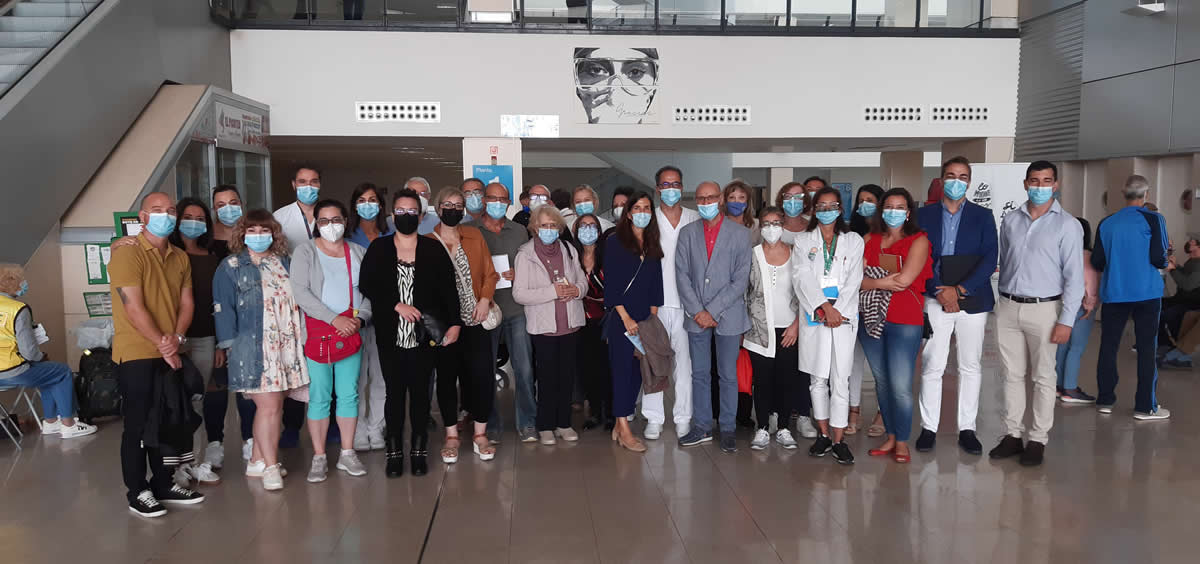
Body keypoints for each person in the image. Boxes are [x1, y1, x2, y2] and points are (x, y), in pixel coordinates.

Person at [108, 192, 205, 516]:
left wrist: (176, 339)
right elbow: (133, 306)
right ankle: (137, 491)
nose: (166, 215)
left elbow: (187, 303)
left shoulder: (179, 257)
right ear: (143, 216)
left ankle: (163, 483)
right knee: (138, 425)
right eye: (157, 210)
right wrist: (163, 344)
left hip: (171, 350)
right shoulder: (128, 252)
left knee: (167, 422)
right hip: (137, 352)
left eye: (171, 210)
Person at [360, 188, 462, 477]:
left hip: (424, 334)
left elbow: (449, 289)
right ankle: (393, 451)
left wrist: (455, 323)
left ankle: (419, 450)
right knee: (394, 393)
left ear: (420, 216)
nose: (406, 216)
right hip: (390, 333)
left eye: (412, 211)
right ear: (393, 216)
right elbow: (367, 283)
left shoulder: (433, 248)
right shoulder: (379, 248)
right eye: (401, 211)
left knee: (420, 394)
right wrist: (396, 304)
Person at [989, 161, 1085, 466]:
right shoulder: (1011, 221)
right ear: (1025, 183)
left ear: (1055, 185)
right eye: (1034, 180)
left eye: (1046, 181)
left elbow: (1075, 277)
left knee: (1043, 377)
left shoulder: (1067, 225)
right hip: (1008, 306)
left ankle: (1038, 439)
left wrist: (1066, 320)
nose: (1040, 186)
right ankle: (1012, 435)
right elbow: (1005, 260)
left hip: (1045, 309)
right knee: (1011, 375)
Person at [214, 209, 308, 491]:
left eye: (264, 230)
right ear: (242, 234)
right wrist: (229, 348)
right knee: (270, 407)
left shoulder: (285, 262)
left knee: (273, 406)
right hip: (253, 348)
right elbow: (223, 310)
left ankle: (256, 460)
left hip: (286, 346)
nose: (258, 236)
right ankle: (270, 466)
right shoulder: (231, 266)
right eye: (252, 230)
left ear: (274, 233)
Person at [913, 156, 997, 456]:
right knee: (932, 365)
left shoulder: (983, 216)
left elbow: (990, 258)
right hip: (935, 297)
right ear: (941, 179)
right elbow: (918, 257)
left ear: (969, 182)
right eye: (951, 175)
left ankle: (967, 429)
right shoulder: (923, 216)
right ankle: (929, 428)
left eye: (962, 176)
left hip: (972, 298)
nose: (956, 181)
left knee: (970, 365)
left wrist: (959, 290)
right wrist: (940, 291)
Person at [290, 200, 372, 482]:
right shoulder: (305, 252)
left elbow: (369, 292)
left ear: (346, 221)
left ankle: (347, 453)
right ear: (316, 224)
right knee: (320, 396)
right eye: (323, 221)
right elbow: (300, 292)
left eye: (336, 219)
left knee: (349, 394)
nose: (330, 226)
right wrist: (333, 319)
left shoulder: (358, 252)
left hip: (351, 331)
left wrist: (360, 319)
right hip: (318, 332)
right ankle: (319, 456)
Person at [675, 181, 752, 453]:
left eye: (710, 197)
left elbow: (740, 279)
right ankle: (702, 426)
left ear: (720, 199)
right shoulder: (687, 233)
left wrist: (713, 310)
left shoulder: (740, 234)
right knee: (699, 374)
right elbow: (682, 275)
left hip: (728, 315)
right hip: (696, 316)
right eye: (700, 198)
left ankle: (728, 428)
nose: (706, 202)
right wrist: (699, 312)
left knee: (728, 375)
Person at [858, 188, 932, 464]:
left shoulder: (918, 241)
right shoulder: (869, 239)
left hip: (905, 321)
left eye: (900, 207)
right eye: (889, 206)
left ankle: (902, 441)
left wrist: (870, 281)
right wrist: (881, 281)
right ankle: (890, 435)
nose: (894, 212)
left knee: (900, 385)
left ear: (908, 212)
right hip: (871, 318)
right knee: (882, 382)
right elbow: (853, 280)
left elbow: (904, 281)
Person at [429, 187, 501, 462]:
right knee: (447, 378)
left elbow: (490, 274)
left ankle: (480, 434)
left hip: (476, 320)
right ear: (438, 208)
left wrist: (484, 300)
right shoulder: (427, 242)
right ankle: (451, 436)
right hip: (445, 325)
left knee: (482, 377)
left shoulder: (474, 235)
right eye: (447, 204)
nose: (453, 209)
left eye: (458, 205)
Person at [1091, 174, 1171, 421]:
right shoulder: (1154, 219)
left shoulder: (1107, 222)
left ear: (1123, 195)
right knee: (1147, 348)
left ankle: (1105, 400)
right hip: (1147, 293)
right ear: (1146, 195)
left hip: (1114, 291)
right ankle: (1145, 406)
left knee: (1108, 346)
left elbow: (1097, 261)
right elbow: (1159, 257)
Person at [794, 188, 864, 464]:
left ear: (840, 208)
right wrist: (824, 307)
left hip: (842, 317)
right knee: (817, 379)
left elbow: (854, 279)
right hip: (817, 315)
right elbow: (802, 277)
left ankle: (839, 439)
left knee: (840, 378)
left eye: (832, 205)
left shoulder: (853, 240)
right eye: (821, 206)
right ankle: (823, 435)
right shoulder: (803, 240)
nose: (826, 210)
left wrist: (837, 311)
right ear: (813, 209)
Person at [513, 206, 588, 445]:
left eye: (553, 225)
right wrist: (552, 292)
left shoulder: (568, 250)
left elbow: (582, 281)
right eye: (543, 225)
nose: (548, 229)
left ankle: (564, 423)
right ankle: (545, 425)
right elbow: (519, 294)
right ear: (535, 228)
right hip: (544, 327)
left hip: (570, 323)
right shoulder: (525, 254)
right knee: (547, 378)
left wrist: (576, 290)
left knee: (566, 377)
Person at [0, 265, 97, 439]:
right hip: (12, 372)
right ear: (11, 283)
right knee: (61, 371)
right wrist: (40, 357)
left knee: (48, 374)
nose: (24, 284)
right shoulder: (18, 309)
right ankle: (68, 424)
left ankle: (51, 423)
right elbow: (29, 352)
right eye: (21, 281)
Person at [166, 198, 223, 486]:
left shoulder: (212, 257)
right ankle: (174, 465)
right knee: (172, 403)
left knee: (197, 401)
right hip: (170, 339)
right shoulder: (167, 254)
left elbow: (220, 303)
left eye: (200, 219)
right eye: (188, 217)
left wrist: (220, 343)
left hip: (204, 337)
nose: (194, 223)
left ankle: (196, 462)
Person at [603, 191, 664, 453]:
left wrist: (652, 317)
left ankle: (620, 424)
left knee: (639, 373)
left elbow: (656, 283)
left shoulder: (651, 242)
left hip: (645, 319)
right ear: (628, 213)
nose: (642, 213)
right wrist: (626, 317)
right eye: (637, 208)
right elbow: (612, 284)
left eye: (647, 208)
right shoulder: (615, 242)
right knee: (622, 373)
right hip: (622, 319)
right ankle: (624, 427)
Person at [478, 182, 537, 443]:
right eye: (493, 198)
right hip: (486, 310)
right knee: (485, 370)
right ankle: (490, 425)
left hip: (516, 308)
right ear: (484, 200)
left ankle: (527, 422)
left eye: (503, 199)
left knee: (524, 369)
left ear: (509, 202)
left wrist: (518, 273)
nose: (498, 204)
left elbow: (530, 264)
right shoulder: (471, 231)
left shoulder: (519, 231)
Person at [645, 165, 699, 440]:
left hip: (688, 304)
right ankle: (653, 418)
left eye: (675, 184)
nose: (671, 189)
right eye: (665, 185)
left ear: (682, 187)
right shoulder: (648, 220)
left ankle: (683, 418)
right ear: (657, 189)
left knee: (684, 366)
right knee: (654, 362)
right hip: (655, 304)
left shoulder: (695, 218)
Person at [206, 186, 257, 463]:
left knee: (246, 385)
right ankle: (215, 443)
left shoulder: (253, 236)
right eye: (221, 204)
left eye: (233, 202)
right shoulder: (204, 239)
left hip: (248, 325)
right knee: (216, 385)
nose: (228, 208)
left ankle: (250, 440)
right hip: (210, 321)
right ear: (214, 209)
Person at [271, 163, 321, 447]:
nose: (308, 187)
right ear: (293, 185)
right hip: (291, 299)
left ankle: (330, 424)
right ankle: (292, 426)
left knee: (325, 360)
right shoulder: (280, 217)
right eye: (303, 182)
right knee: (294, 362)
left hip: (324, 297)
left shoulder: (328, 213)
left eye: (313, 181)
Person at [742, 207, 800, 451]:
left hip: (789, 329)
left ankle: (784, 427)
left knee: (786, 379)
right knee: (763, 380)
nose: (771, 228)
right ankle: (763, 427)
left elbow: (806, 293)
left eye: (776, 223)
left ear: (783, 225)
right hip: (759, 329)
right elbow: (744, 293)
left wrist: (796, 326)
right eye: (766, 223)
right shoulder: (751, 255)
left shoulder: (796, 254)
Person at [345, 183, 390, 451]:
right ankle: (359, 429)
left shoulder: (391, 233)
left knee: (382, 376)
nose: (368, 205)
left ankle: (376, 427)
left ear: (381, 205)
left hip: (387, 314)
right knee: (357, 377)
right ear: (354, 205)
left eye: (372, 200)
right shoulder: (347, 236)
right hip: (355, 316)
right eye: (362, 200)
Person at [847, 184, 883, 436]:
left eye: (870, 200)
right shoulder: (852, 236)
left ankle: (882, 413)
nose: (865, 204)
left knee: (880, 364)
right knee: (853, 362)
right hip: (852, 305)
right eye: (861, 200)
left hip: (880, 306)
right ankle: (854, 411)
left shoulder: (890, 235)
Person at [573, 213, 613, 430]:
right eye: (583, 226)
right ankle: (595, 412)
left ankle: (611, 414)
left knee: (607, 368)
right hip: (581, 320)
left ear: (599, 231)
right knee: (587, 369)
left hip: (606, 319)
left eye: (592, 226)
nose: (587, 230)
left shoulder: (607, 255)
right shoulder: (572, 256)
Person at [1055, 216, 1100, 402]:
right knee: (1076, 347)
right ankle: (1070, 388)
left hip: (1061, 303)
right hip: (1081, 306)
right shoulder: (1087, 256)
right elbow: (1090, 283)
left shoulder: (1060, 253)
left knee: (1062, 346)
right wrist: (1090, 304)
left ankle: (1058, 385)